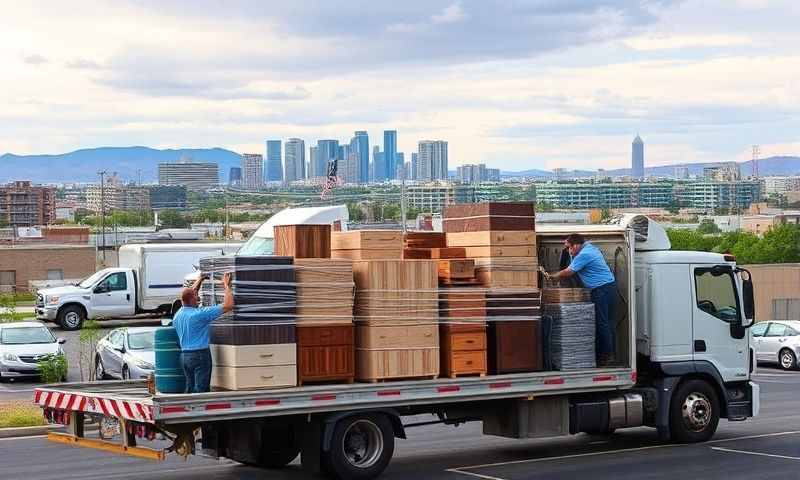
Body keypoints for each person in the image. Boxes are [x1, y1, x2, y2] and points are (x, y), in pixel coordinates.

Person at [545, 233, 617, 366]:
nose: (568, 251)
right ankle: (608, 353)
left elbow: (569, 271)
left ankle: (607, 356)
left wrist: (552, 276)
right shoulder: (587, 248)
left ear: (576, 245)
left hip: (601, 289)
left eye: (569, 248)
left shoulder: (585, 254)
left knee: (602, 323)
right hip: (607, 287)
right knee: (606, 322)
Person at [172, 272, 234, 393]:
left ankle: (188, 409)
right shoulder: (200, 314)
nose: (199, 298)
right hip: (200, 355)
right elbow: (228, 305)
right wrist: (226, 285)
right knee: (201, 389)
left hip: (185, 357)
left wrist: (200, 279)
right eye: (196, 297)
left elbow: (189, 293)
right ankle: (200, 409)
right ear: (192, 299)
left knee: (190, 388)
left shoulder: (178, 315)